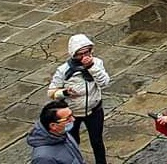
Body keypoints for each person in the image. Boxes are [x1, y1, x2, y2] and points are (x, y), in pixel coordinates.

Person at [47, 35, 109, 164]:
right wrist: (64, 93)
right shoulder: (63, 70)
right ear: (74, 54)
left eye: (88, 52)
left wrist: (92, 67)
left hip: (94, 110)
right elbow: (51, 93)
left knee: (97, 141)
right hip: (72, 113)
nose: (85, 56)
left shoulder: (97, 63)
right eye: (81, 54)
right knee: (73, 142)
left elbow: (104, 83)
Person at [29, 100, 86, 164]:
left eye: (72, 115)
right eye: (68, 118)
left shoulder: (62, 133)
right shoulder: (44, 158)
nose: (73, 119)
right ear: (53, 126)